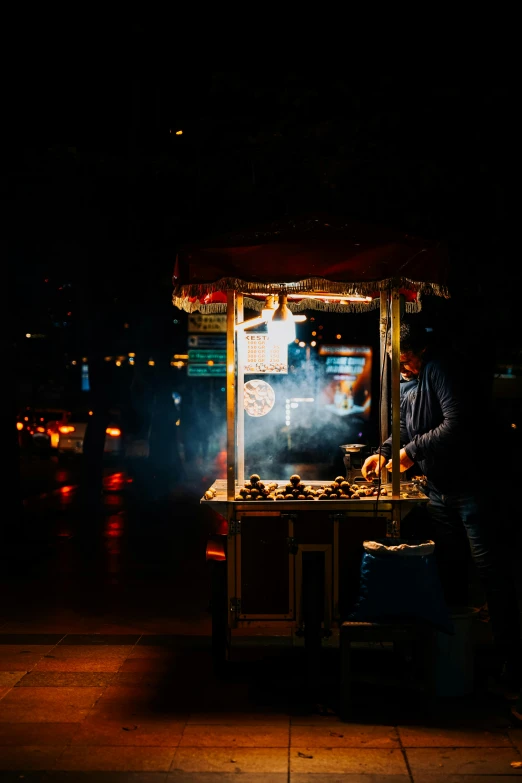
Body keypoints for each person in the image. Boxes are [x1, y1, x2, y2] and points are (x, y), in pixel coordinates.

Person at [361, 319, 521, 693]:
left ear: (420, 351)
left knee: (490, 574)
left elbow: (456, 423)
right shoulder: (409, 378)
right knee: (450, 571)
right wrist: (383, 452)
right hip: (438, 491)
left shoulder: (441, 368)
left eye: (407, 361)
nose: (403, 368)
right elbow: (405, 427)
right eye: (399, 363)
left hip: (473, 489)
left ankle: (511, 662)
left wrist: (408, 453)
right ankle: (455, 656)